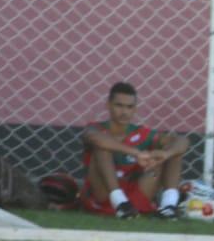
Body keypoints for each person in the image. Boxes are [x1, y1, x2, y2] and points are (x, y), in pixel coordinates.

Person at [81, 82, 190, 219]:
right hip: (104, 194)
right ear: (108, 105)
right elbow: (96, 138)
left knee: (172, 151)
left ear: (135, 109)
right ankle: (120, 203)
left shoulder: (142, 133)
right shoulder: (95, 128)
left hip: (136, 193)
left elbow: (182, 141)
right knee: (101, 147)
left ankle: (169, 206)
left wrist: (166, 153)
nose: (124, 112)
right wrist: (136, 153)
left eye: (129, 107)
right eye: (119, 106)